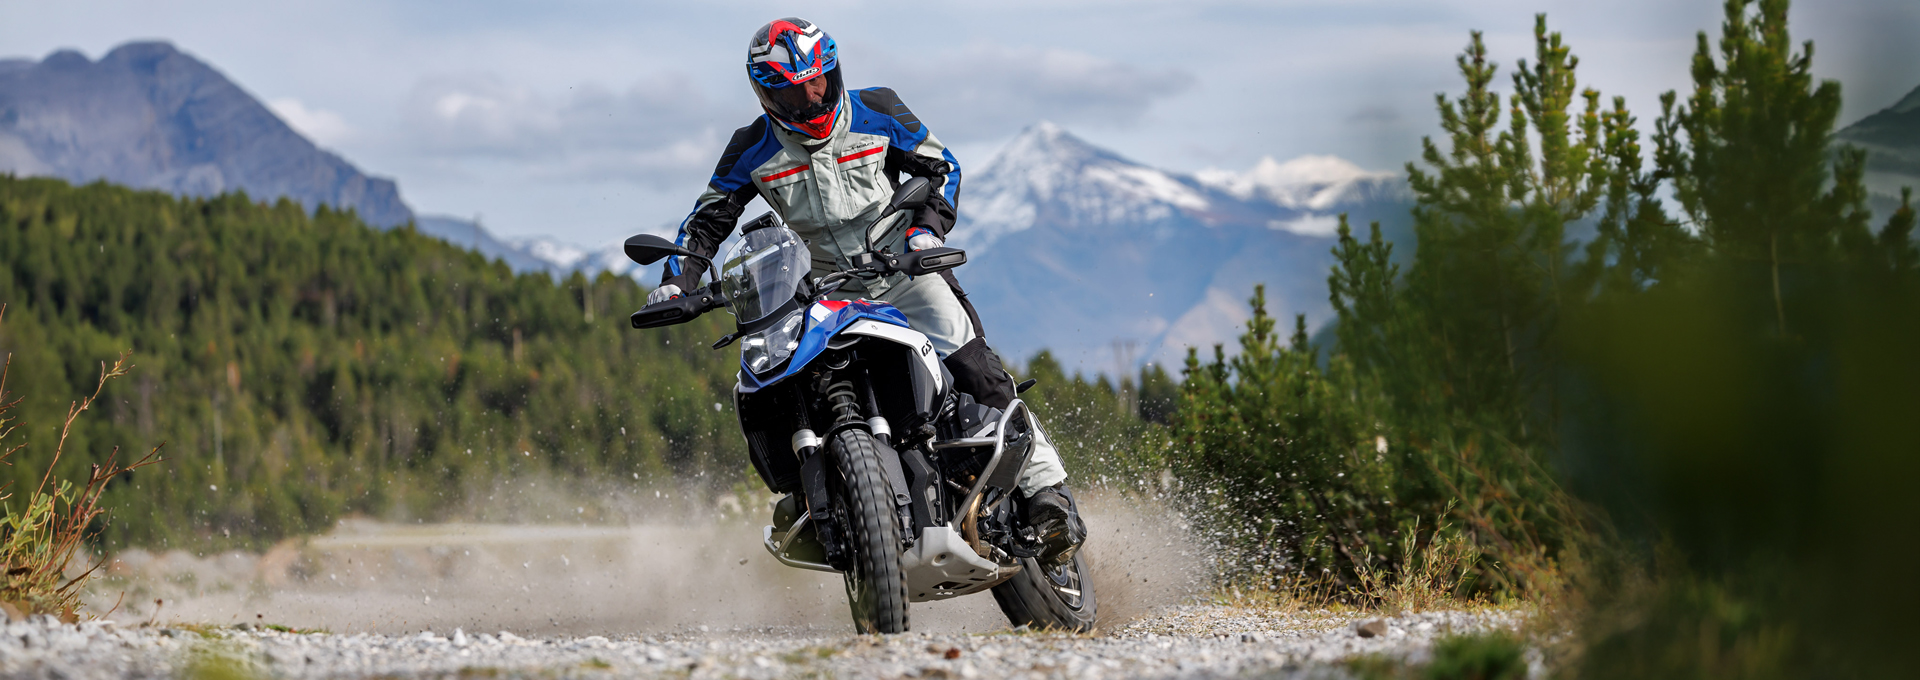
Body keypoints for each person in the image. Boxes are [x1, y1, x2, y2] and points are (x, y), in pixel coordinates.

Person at [647, 17, 1084, 566]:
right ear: (766, 95)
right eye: (793, 91)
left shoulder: (877, 108)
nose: (811, 97)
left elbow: (941, 167)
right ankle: (816, 500)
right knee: (774, 383)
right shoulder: (752, 148)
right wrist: (677, 282)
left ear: (832, 71)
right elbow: (706, 221)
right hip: (819, 293)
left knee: (973, 364)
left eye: (818, 81)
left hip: (904, 271)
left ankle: (1048, 493)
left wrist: (926, 230)